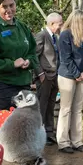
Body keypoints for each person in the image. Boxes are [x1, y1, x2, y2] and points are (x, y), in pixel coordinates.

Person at [0, 0, 38, 117]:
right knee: (2, 130)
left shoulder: (22, 27)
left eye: (11, 5)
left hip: (23, 86)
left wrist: (29, 61)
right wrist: (12, 64)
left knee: (23, 127)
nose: (9, 10)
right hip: (1, 87)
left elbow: (33, 53)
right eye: (4, 7)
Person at [56, 10, 83, 153]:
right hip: (67, 76)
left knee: (78, 109)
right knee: (66, 109)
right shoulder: (65, 35)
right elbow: (66, 58)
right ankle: (63, 142)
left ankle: (77, 141)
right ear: (78, 20)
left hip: (81, 77)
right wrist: (76, 74)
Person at [34, 13, 63, 146]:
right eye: (59, 24)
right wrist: (40, 74)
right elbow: (34, 56)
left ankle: (49, 133)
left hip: (54, 76)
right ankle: (39, 134)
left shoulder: (55, 37)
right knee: (42, 106)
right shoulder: (42, 35)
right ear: (52, 24)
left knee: (51, 106)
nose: (60, 26)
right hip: (44, 77)